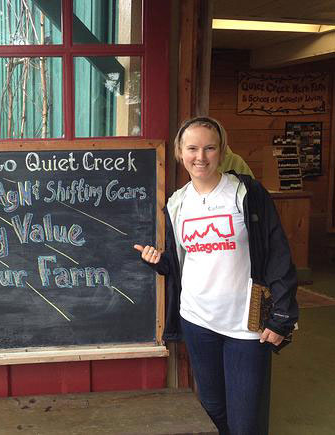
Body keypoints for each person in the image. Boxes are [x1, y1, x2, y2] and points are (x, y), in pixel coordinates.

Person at [134, 116, 298, 435]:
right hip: (198, 321)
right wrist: (159, 261)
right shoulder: (178, 203)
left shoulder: (246, 193)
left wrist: (282, 316)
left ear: (221, 151)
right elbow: (184, 259)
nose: (201, 156)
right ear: (181, 153)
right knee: (212, 410)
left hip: (246, 327)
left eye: (209, 148)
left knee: (245, 422)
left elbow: (278, 253)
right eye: (192, 148)